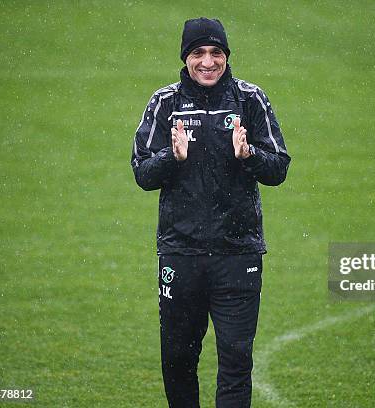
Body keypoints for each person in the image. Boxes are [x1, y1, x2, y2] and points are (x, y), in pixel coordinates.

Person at [130, 17, 290, 408]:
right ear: (185, 57)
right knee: (178, 360)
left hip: (238, 254)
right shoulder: (164, 103)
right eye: (198, 53)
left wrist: (248, 154)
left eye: (215, 53)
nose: (207, 61)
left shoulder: (250, 100)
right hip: (180, 254)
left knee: (236, 361)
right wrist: (173, 157)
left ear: (226, 56)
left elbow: (279, 167)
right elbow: (142, 172)